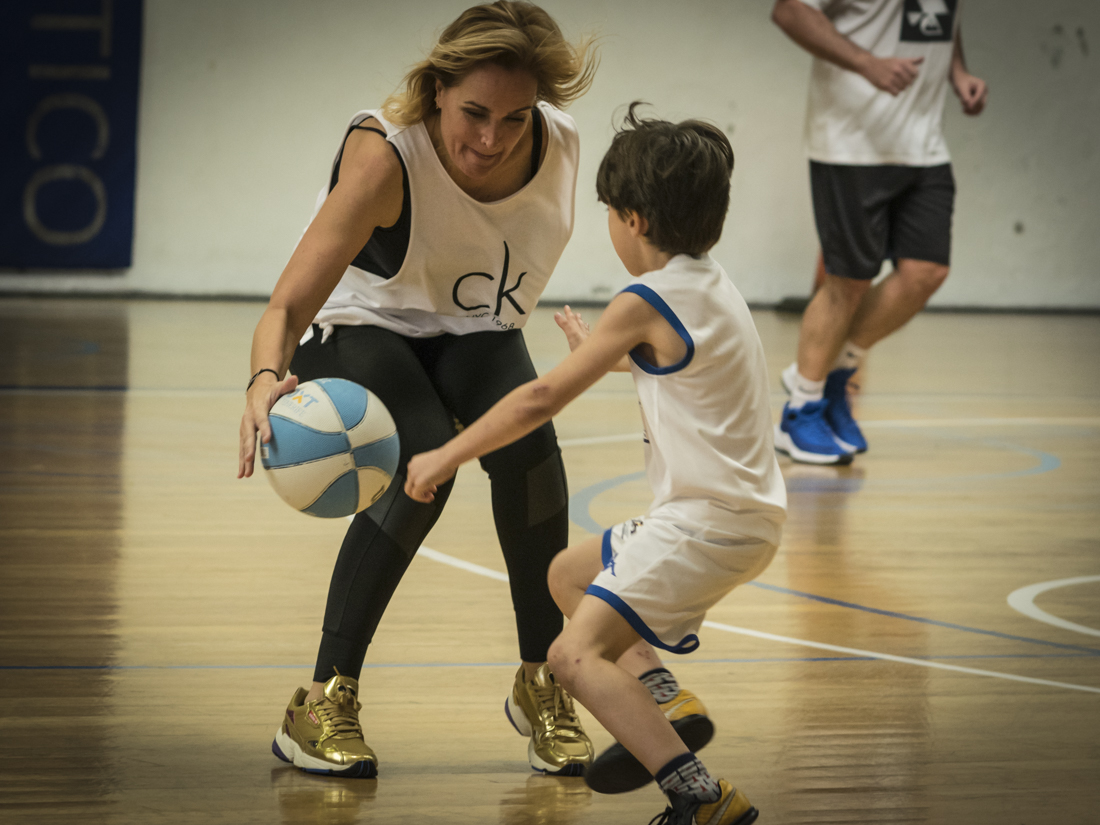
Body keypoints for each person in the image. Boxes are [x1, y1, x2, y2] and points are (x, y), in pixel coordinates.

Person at [237, 1, 599, 778]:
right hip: (361, 324)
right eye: (473, 112)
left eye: (514, 116)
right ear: (437, 90)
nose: (491, 138)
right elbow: (285, 306)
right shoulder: (384, 158)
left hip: (470, 332)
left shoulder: (561, 146)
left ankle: (544, 680)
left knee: (532, 454)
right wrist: (265, 377)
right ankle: (322, 698)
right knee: (424, 463)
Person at [406, 105, 786, 825]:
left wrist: (447, 452)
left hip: (704, 525)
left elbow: (539, 398)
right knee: (566, 576)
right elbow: (684, 370)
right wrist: (605, 350)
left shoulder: (644, 301)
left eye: (610, 211)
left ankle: (701, 798)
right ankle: (666, 700)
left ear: (633, 220)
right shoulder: (710, 284)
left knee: (571, 658)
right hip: (743, 517)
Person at [771, 0, 988, 464]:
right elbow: (789, 11)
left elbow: (938, 21)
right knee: (848, 281)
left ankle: (831, 375)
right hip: (851, 143)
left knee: (926, 271)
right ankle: (800, 411)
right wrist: (867, 63)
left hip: (924, 143)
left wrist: (959, 72)